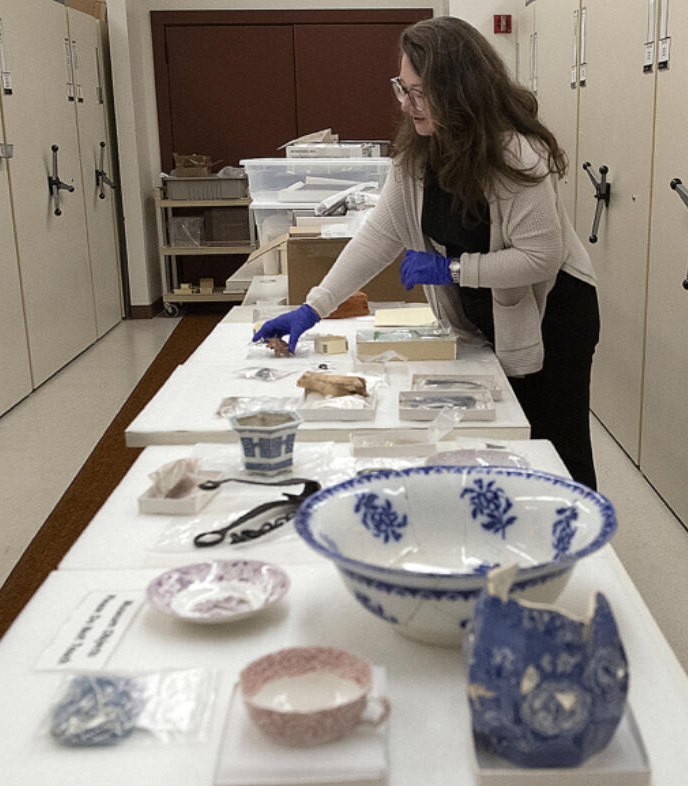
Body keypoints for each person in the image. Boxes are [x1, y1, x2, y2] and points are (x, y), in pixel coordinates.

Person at [254, 16, 600, 488]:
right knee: (505, 435)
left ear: (460, 90)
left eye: (420, 92)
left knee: (555, 444)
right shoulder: (419, 153)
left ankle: (579, 545)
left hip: (553, 307)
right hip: (485, 301)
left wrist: (453, 268)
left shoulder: (518, 155)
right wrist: (313, 308)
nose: (408, 104)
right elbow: (379, 236)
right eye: (403, 88)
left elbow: (540, 256)